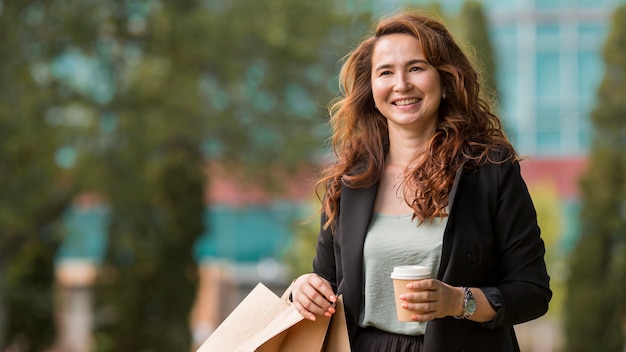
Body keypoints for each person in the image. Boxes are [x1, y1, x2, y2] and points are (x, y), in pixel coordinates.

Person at [290, 10, 551, 352]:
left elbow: (532, 291)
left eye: (416, 67)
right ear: (371, 89)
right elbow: (327, 283)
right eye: (386, 72)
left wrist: (459, 301)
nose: (401, 84)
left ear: (444, 79)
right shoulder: (350, 178)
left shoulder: (490, 171)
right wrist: (302, 289)